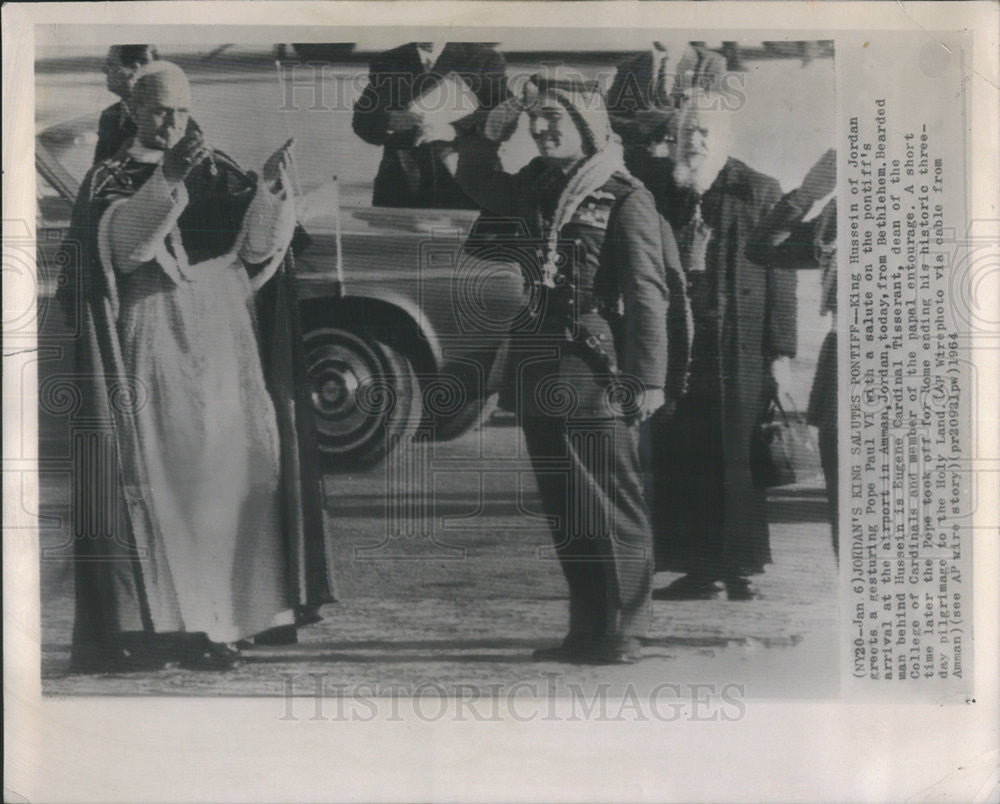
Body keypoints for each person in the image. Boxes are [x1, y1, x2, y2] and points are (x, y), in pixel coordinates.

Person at [66, 62, 334, 673]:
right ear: (134, 111)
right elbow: (126, 252)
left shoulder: (221, 169)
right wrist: (167, 181)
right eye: (161, 110)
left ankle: (226, 619)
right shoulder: (110, 175)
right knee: (173, 482)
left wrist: (271, 193)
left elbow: (257, 252)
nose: (174, 121)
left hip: (225, 334)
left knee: (232, 477)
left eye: (182, 110)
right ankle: (177, 626)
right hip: (156, 332)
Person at [438, 70, 678, 663]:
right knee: (567, 504)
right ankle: (588, 626)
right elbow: (477, 180)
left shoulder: (626, 197)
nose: (541, 127)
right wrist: (485, 127)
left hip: (594, 366)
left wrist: (649, 378)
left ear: (586, 126)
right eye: (535, 118)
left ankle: (626, 629)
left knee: (611, 500)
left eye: (555, 118)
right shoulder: (537, 185)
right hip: (537, 362)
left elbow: (650, 293)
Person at [648, 89, 797, 601]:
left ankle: (739, 570)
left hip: (740, 349)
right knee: (684, 457)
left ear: (725, 139)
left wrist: (780, 351)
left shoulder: (758, 189)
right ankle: (697, 570)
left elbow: (784, 276)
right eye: (686, 131)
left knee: (736, 459)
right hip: (682, 348)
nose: (693, 141)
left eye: (704, 132)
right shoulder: (664, 189)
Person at [747, 149, 838, 557]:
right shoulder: (839, 216)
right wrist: (808, 193)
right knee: (848, 517)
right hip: (844, 365)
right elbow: (763, 247)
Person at [351, 42, 507, 208]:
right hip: (403, 183)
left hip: (467, 179)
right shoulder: (388, 60)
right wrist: (389, 121)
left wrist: (453, 130)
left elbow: (503, 117)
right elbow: (362, 121)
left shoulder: (485, 58)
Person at [606, 40, 727, 178]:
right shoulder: (629, 67)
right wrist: (639, 127)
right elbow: (607, 120)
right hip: (639, 170)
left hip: (689, 170)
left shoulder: (709, 64)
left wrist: (669, 120)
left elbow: (718, 121)